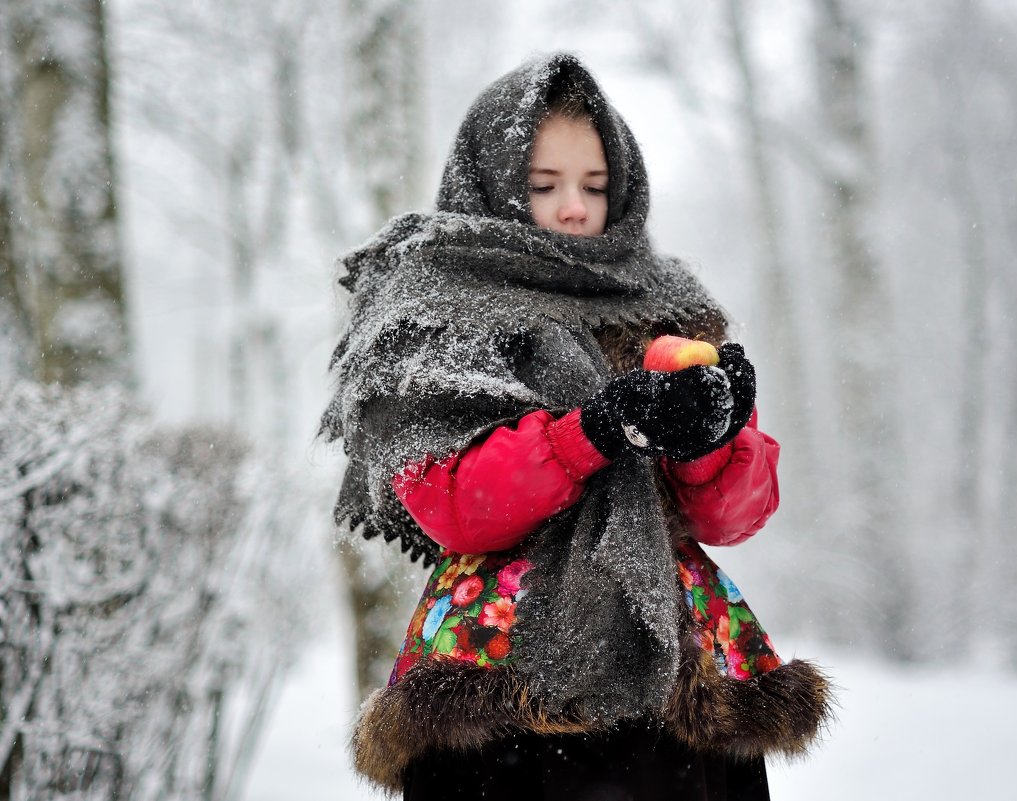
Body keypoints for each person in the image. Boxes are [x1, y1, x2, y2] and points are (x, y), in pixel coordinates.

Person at [322, 53, 831, 801]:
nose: (572, 208)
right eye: (543, 185)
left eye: (594, 186)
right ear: (489, 182)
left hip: (672, 663)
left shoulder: (669, 307)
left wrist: (713, 440)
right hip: (501, 673)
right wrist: (594, 430)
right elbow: (452, 501)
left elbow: (730, 516)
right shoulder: (436, 308)